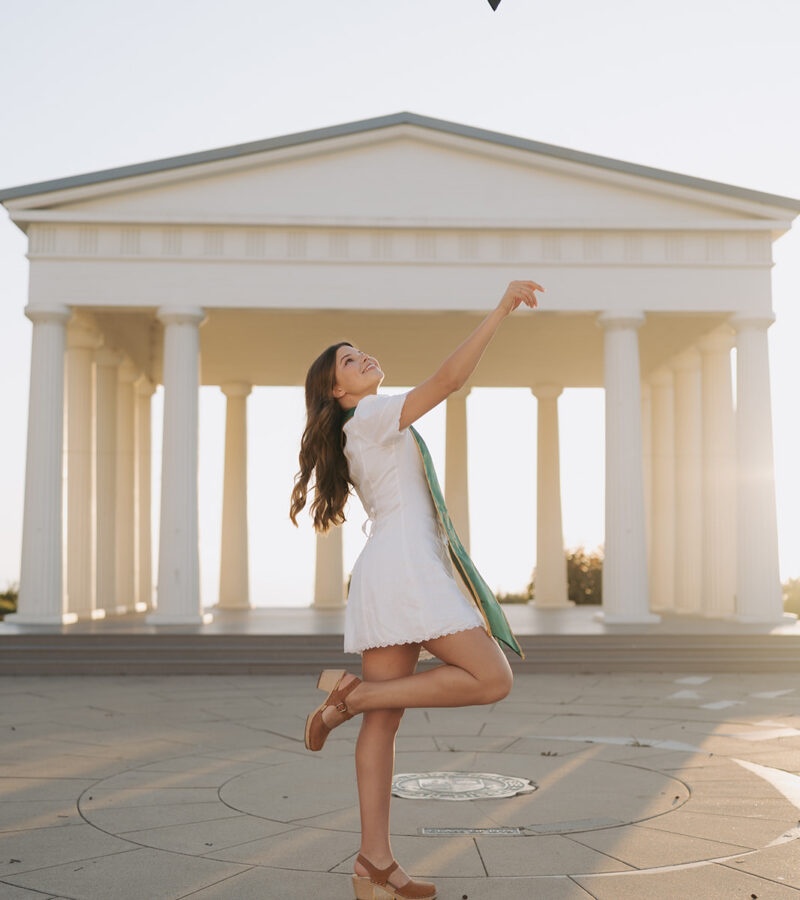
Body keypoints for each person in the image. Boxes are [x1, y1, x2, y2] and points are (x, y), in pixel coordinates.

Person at [289, 279, 543, 900]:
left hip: (387, 568)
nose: (363, 357)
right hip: (406, 570)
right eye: (350, 360)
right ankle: (349, 698)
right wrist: (500, 309)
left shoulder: (358, 428)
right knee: (492, 679)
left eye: (359, 351)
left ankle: (372, 862)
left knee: (385, 716)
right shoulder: (371, 415)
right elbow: (448, 380)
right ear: (337, 389)